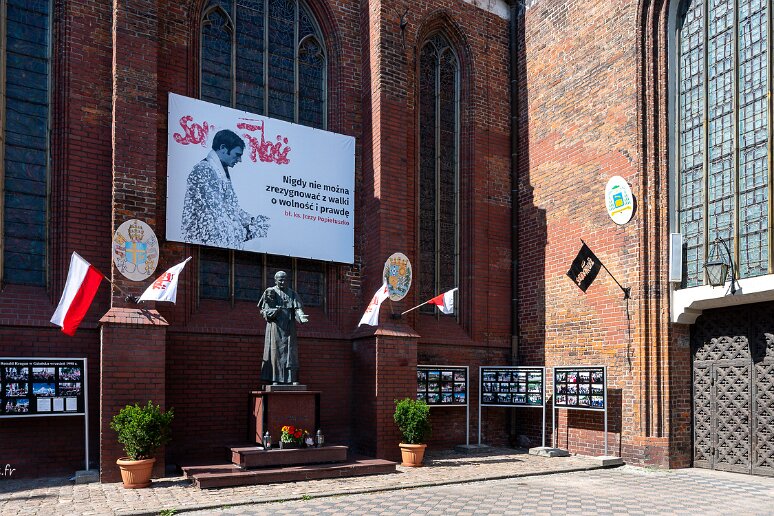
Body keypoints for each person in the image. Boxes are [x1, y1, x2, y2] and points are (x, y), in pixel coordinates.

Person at [181, 129, 269, 249]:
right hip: (203, 248)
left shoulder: (218, 170)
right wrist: (251, 231)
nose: (239, 160)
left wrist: (254, 221)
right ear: (223, 148)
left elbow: (232, 209)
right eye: (237, 155)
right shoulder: (204, 171)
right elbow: (217, 221)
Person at [258, 271, 309, 384]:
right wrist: (272, 312)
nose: (283, 282)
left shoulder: (292, 293)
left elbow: (297, 308)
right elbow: (264, 310)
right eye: (280, 280)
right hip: (275, 326)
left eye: (285, 279)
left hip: (289, 327)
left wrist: (301, 316)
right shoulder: (270, 291)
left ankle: (292, 379)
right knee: (275, 352)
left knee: (291, 352)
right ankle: (275, 379)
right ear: (275, 280)